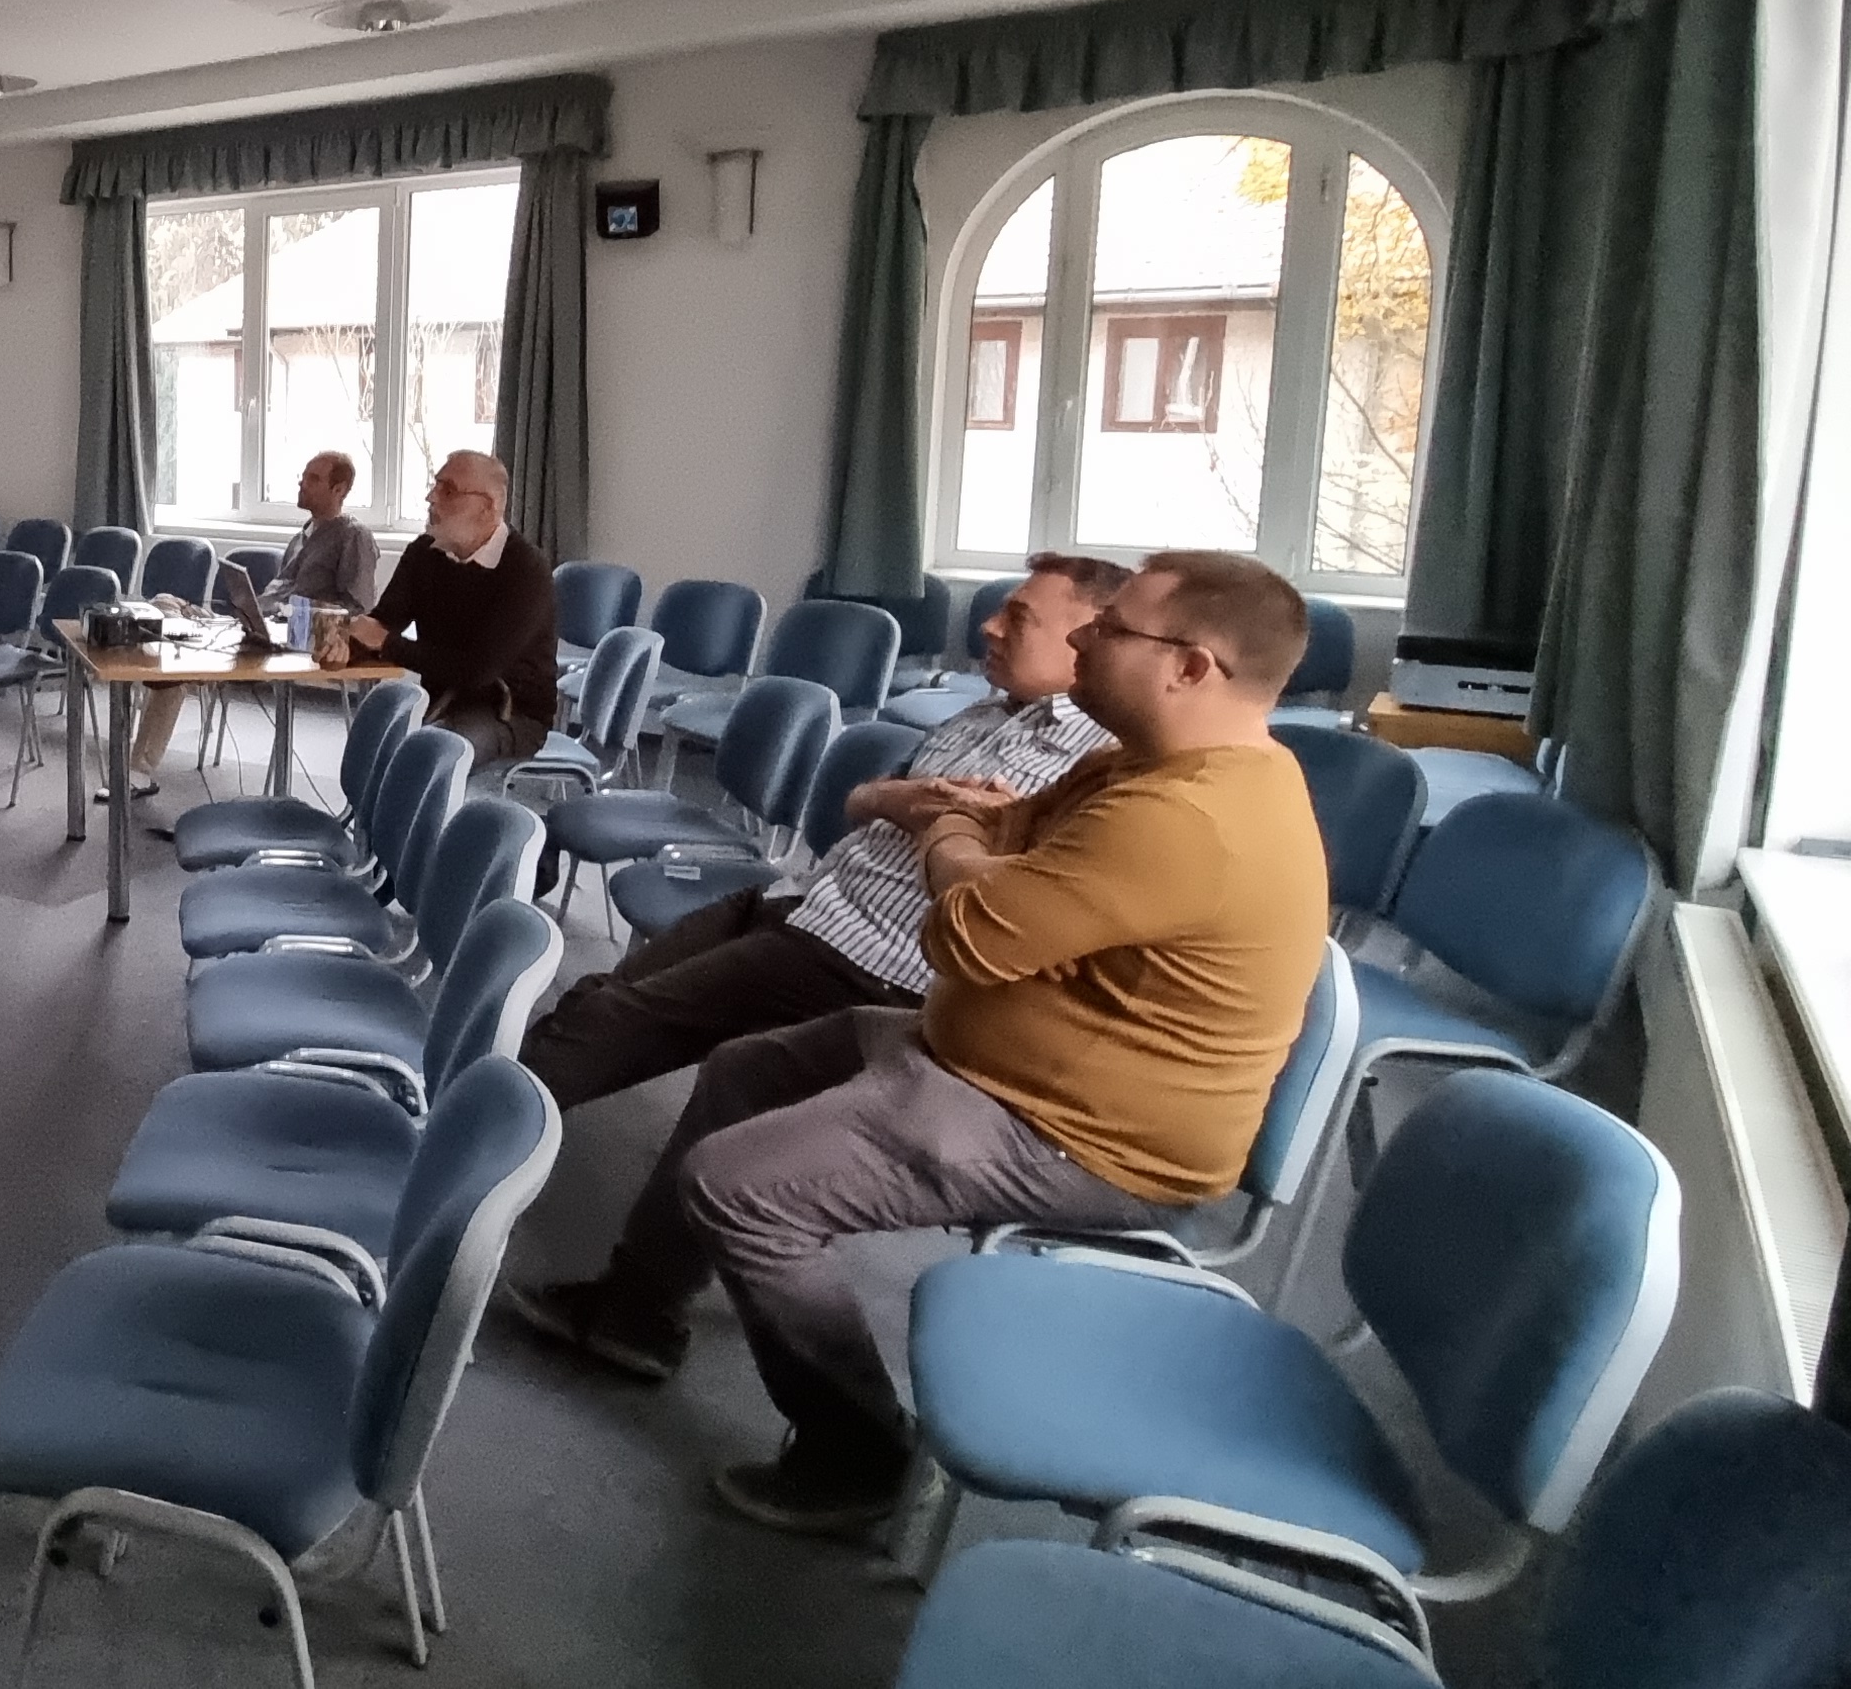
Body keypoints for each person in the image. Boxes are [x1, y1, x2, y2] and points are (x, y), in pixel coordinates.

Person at [508, 550, 1330, 1540]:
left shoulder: (1191, 815)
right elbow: (1003, 828)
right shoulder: (1143, 763)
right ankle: (636, 1312)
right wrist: (964, 832)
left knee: (741, 1185)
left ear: (1191, 666)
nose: (1084, 637)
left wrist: (941, 829)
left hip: (1076, 1133)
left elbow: (968, 932)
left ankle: (858, 1453)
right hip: (991, 1057)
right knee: (745, 1068)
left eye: (1112, 630)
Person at [509, 554, 1126, 1132]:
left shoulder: (1101, 765)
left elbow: (1026, 911)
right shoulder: (984, 714)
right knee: (600, 995)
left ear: (1087, 638)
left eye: (1018, 617)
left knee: (619, 1021)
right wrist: (897, 801)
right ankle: (491, 1107)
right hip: (802, 898)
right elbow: (862, 801)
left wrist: (966, 826)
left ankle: (479, 1134)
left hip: (865, 958)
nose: (988, 626)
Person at [121, 450, 379, 792]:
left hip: (292, 638)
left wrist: (295, 615)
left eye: (313, 478)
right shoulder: (303, 535)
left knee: (178, 660)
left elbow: (358, 608)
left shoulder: (353, 537)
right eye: (304, 475)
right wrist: (252, 613)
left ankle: (140, 764)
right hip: (256, 625)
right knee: (165, 603)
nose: (302, 483)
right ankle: (169, 667)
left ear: (339, 489)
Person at [342, 451, 555, 764]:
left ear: (488, 507)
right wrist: (347, 643)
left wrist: (386, 643)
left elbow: (478, 671)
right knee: (373, 739)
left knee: (436, 750)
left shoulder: (526, 569)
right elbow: (383, 622)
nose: (431, 498)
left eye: (449, 490)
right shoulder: (424, 553)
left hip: (509, 711)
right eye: (435, 486)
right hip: (442, 700)